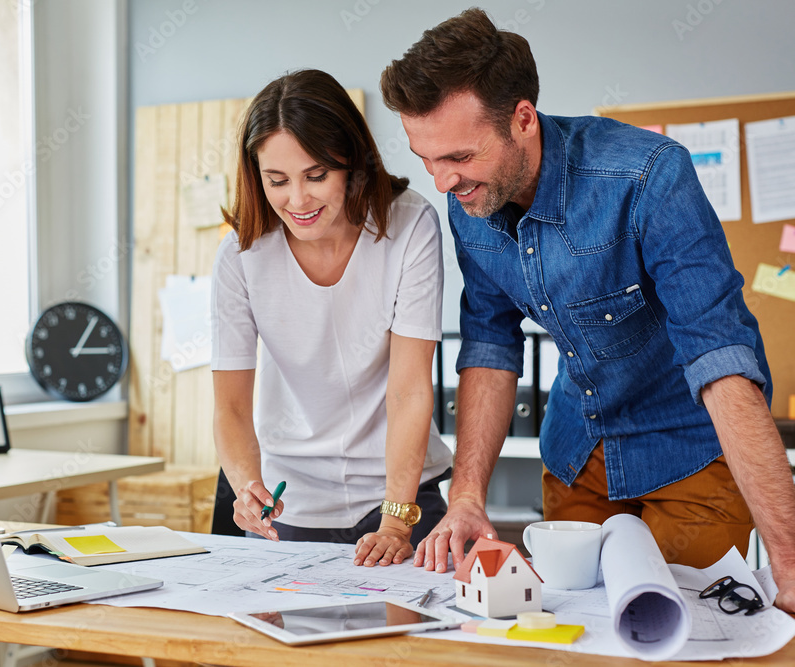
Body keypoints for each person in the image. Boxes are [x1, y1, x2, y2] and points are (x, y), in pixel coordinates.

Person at [380, 8, 795, 612]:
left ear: (522, 118)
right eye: (427, 159)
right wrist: (467, 494)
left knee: (689, 630)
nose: (443, 183)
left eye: (461, 158)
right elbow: (491, 345)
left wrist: (788, 562)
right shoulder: (470, 201)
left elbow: (720, 357)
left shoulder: (647, 176)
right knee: (572, 628)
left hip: (687, 451)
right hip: (576, 452)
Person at [211, 69, 452, 567]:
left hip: (400, 495)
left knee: (412, 637)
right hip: (291, 499)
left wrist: (395, 520)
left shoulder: (409, 226)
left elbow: (409, 390)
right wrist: (246, 489)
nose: (297, 201)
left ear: (351, 162)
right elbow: (231, 408)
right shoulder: (239, 255)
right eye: (277, 180)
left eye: (316, 175)